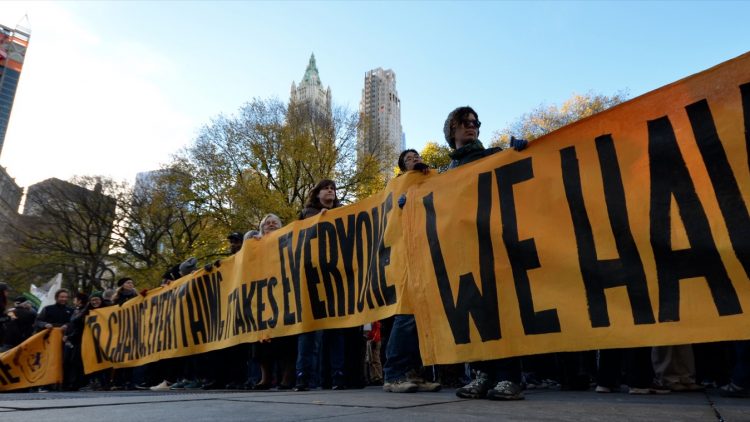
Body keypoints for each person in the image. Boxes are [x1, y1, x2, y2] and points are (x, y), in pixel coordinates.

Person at [441, 106, 527, 401]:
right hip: (463, 250)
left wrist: (523, 153)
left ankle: (508, 377)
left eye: (475, 122)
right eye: (464, 122)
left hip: (495, 243)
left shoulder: (494, 155)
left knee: (501, 308)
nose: (472, 126)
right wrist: (407, 200)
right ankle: (482, 374)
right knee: (475, 311)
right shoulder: (444, 174)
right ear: (451, 130)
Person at [383, 151, 442, 393]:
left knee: (423, 319)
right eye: (408, 158)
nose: (414, 158)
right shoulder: (396, 186)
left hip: (429, 254)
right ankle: (393, 374)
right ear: (401, 167)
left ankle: (415, 373)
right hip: (406, 258)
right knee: (406, 316)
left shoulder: (435, 178)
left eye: (416, 155)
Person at [294, 180, 348, 391]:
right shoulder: (306, 214)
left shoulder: (345, 213)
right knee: (309, 330)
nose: (330, 191)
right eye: (326, 188)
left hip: (335, 277)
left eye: (333, 188)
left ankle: (338, 376)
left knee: (336, 329)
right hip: (311, 278)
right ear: (317, 194)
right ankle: (304, 377)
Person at [251, 214, 297, 390]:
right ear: (262, 228)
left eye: (274, 223)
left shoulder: (289, 240)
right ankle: (266, 378)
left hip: (284, 293)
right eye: (267, 223)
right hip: (262, 295)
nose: (271, 225)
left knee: (286, 338)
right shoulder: (254, 246)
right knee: (261, 340)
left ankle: (287, 377)